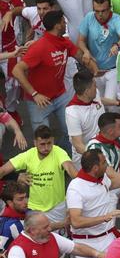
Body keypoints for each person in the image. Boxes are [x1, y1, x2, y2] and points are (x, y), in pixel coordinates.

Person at [13, 10, 98, 153]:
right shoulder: (39, 47)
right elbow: (16, 70)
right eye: (63, 21)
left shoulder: (64, 42)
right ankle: (46, 166)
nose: (65, 23)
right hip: (38, 102)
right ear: (58, 25)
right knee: (42, 141)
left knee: (70, 133)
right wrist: (34, 94)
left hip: (60, 95)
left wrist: (94, 69)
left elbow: (80, 57)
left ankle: (60, 159)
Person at [0, 126, 76, 223]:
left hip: (57, 207)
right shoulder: (28, 155)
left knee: (59, 235)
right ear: (35, 143)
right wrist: (16, 177)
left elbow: (69, 168)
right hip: (34, 208)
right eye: (42, 144)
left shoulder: (59, 152)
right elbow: (2, 171)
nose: (46, 148)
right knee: (37, 236)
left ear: (53, 140)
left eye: (49, 143)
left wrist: (81, 181)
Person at [65, 70, 107, 168]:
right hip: (87, 158)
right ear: (87, 91)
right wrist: (99, 156)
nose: (96, 88)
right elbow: (78, 145)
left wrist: (119, 102)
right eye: (94, 85)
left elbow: (100, 100)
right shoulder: (72, 112)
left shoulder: (94, 94)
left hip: (103, 147)